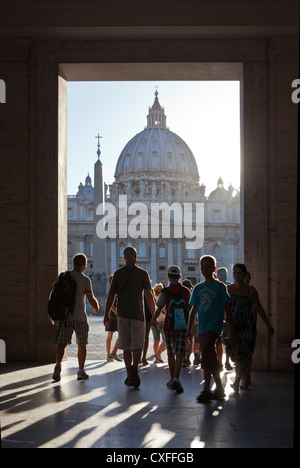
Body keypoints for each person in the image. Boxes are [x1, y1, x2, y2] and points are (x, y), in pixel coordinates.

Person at [186, 255, 237, 402]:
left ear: (214, 268)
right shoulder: (198, 288)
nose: (204, 269)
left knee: (208, 349)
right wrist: (189, 329)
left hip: (214, 325)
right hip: (202, 326)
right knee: (208, 355)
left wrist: (232, 330)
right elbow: (193, 310)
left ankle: (207, 389)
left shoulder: (220, 287)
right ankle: (218, 389)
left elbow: (227, 309)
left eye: (208, 266)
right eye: (202, 266)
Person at [104, 246, 155, 388]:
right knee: (138, 345)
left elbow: (111, 296)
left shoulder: (118, 274)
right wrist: (155, 314)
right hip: (138, 314)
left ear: (124, 258)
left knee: (126, 347)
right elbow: (149, 296)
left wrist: (106, 314)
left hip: (122, 314)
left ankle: (128, 375)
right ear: (136, 257)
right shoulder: (143, 274)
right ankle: (135, 367)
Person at [51, 253, 99, 382]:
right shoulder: (85, 280)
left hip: (65, 316)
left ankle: (58, 364)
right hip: (80, 317)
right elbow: (90, 299)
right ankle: (81, 371)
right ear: (83, 265)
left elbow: (53, 294)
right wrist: (97, 307)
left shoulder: (62, 276)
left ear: (73, 263)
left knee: (62, 342)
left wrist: (52, 312)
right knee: (81, 344)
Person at [228, 263, 274, 393]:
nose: (237, 274)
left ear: (244, 274)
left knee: (242, 355)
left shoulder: (251, 290)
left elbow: (259, 308)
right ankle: (246, 376)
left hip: (247, 326)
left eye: (240, 272)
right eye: (235, 272)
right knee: (236, 357)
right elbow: (223, 308)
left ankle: (236, 382)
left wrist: (268, 324)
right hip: (233, 327)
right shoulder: (228, 289)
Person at [151, 265, 191, 393]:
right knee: (179, 353)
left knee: (170, 353)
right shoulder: (186, 291)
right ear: (179, 277)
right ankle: (176, 379)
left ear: (168, 277)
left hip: (169, 326)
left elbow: (159, 308)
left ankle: (171, 378)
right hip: (182, 326)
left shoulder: (165, 292)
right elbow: (190, 309)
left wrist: (154, 319)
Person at [216, 267, 233, 371]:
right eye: (221, 274)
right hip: (217, 318)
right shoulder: (216, 287)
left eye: (225, 274)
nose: (224, 276)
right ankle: (219, 362)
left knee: (228, 342)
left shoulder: (230, 287)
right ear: (217, 276)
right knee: (218, 342)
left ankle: (227, 362)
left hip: (226, 318)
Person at [105, 275, 122, 362]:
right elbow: (112, 306)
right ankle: (110, 354)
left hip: (112, 315)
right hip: (113, 316)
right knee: (111, 335)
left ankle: (112, 354)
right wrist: (118, 314)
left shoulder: (115, 292)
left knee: (115, 335)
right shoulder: (112, 293)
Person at [151, 283, 167, 363]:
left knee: (156, 340)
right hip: (161, 320)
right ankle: (158, 354)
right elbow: (164, 308)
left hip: (153, 321)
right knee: (166, 340)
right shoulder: (162, 298)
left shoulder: (152, 298)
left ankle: (157, 358)